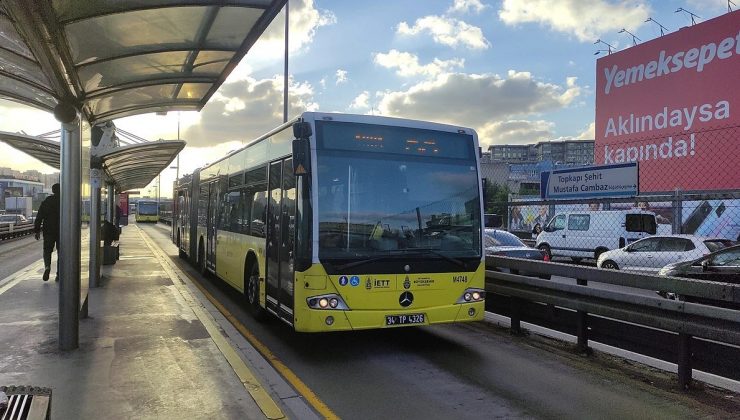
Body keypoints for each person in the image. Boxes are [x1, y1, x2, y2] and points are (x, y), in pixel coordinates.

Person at [34, 183, 60, 282]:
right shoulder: (64, 200)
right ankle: (59, 274)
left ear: (53, 191)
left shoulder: (47, 201)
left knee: (47, 250)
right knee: (61, 253)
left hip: (48, 230)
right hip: (62, 230)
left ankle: (47, 267)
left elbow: (39, 216)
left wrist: (37, 231)